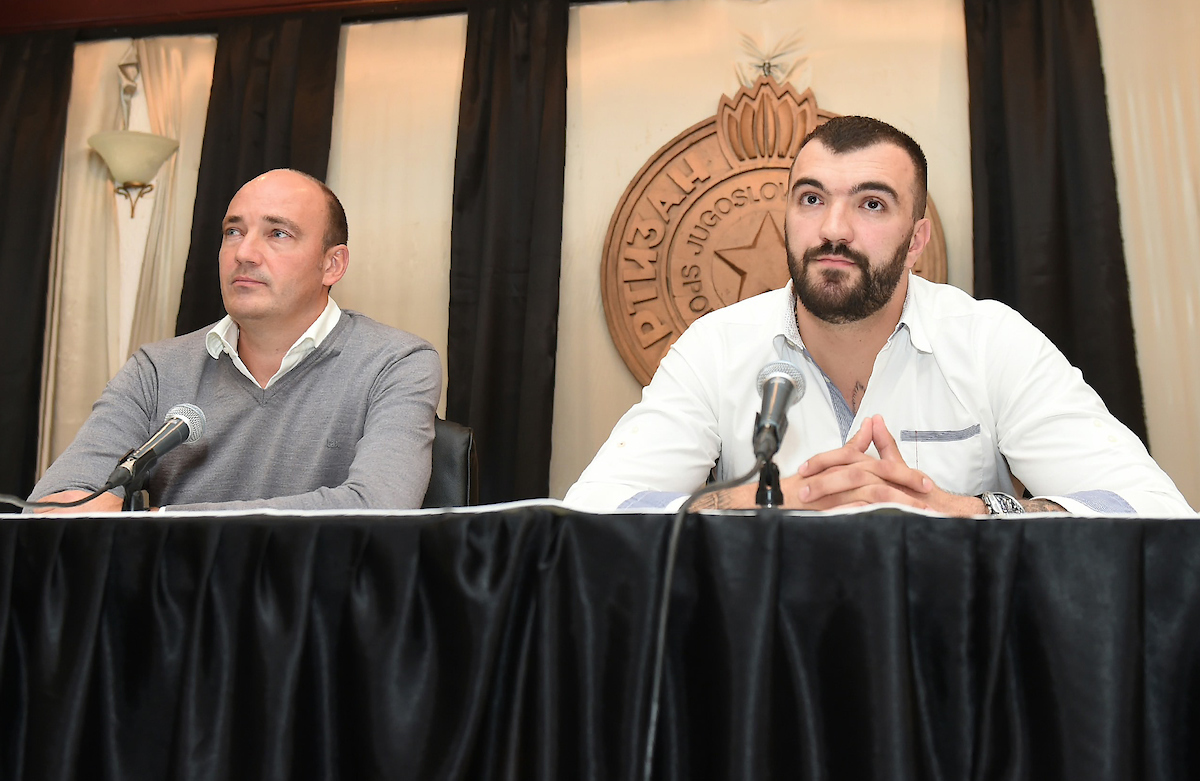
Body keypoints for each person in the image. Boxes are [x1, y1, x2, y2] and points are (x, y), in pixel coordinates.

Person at [566, 116, 1193, 516]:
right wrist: (749, 500)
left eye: (871, 203)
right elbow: (594, 508)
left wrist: (975, 514)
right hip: (765, 673)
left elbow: (1155, 511)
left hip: (952, 672)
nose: (832, 230)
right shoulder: (716, 348)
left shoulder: (991, 340)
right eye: (811, 199)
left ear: (917, 240)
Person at [30, 169, 441, 512]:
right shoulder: (156, 369)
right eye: (233, 231)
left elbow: (379, 508)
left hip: (320, 603)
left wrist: (160, 518)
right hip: (181, 603)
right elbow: (56, 503)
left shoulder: (397, 361)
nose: (244, 253)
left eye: (278, 233)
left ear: (332, 264)